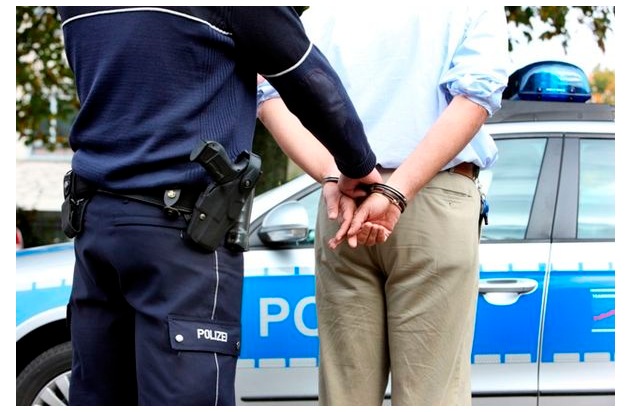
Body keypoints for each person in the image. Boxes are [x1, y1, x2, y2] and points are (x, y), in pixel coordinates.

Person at [56, 6, 381, 406]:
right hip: (182, 233)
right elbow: (307, 79)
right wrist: (358, 165)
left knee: (100, 394)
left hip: (96, 226)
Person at [257, 5, 510, 406]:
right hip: (432, 196)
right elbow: (476, 96)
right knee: (432, 396)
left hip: (345, 199)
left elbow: (268, 94)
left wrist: (330, 173)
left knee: (345, 394)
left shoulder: (323, 12)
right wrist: (397, 192)